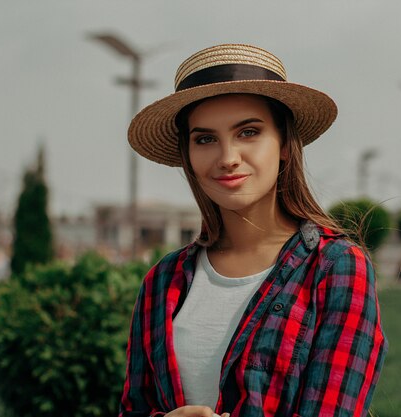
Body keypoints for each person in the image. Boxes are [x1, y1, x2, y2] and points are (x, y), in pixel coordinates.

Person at [119, 44, 387, 417]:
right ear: (188, 155)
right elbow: (133, 407)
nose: (227, 157)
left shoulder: (337, 268)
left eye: (248, 132)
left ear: (284, 146)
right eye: (205, 139)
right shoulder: (162, 281)